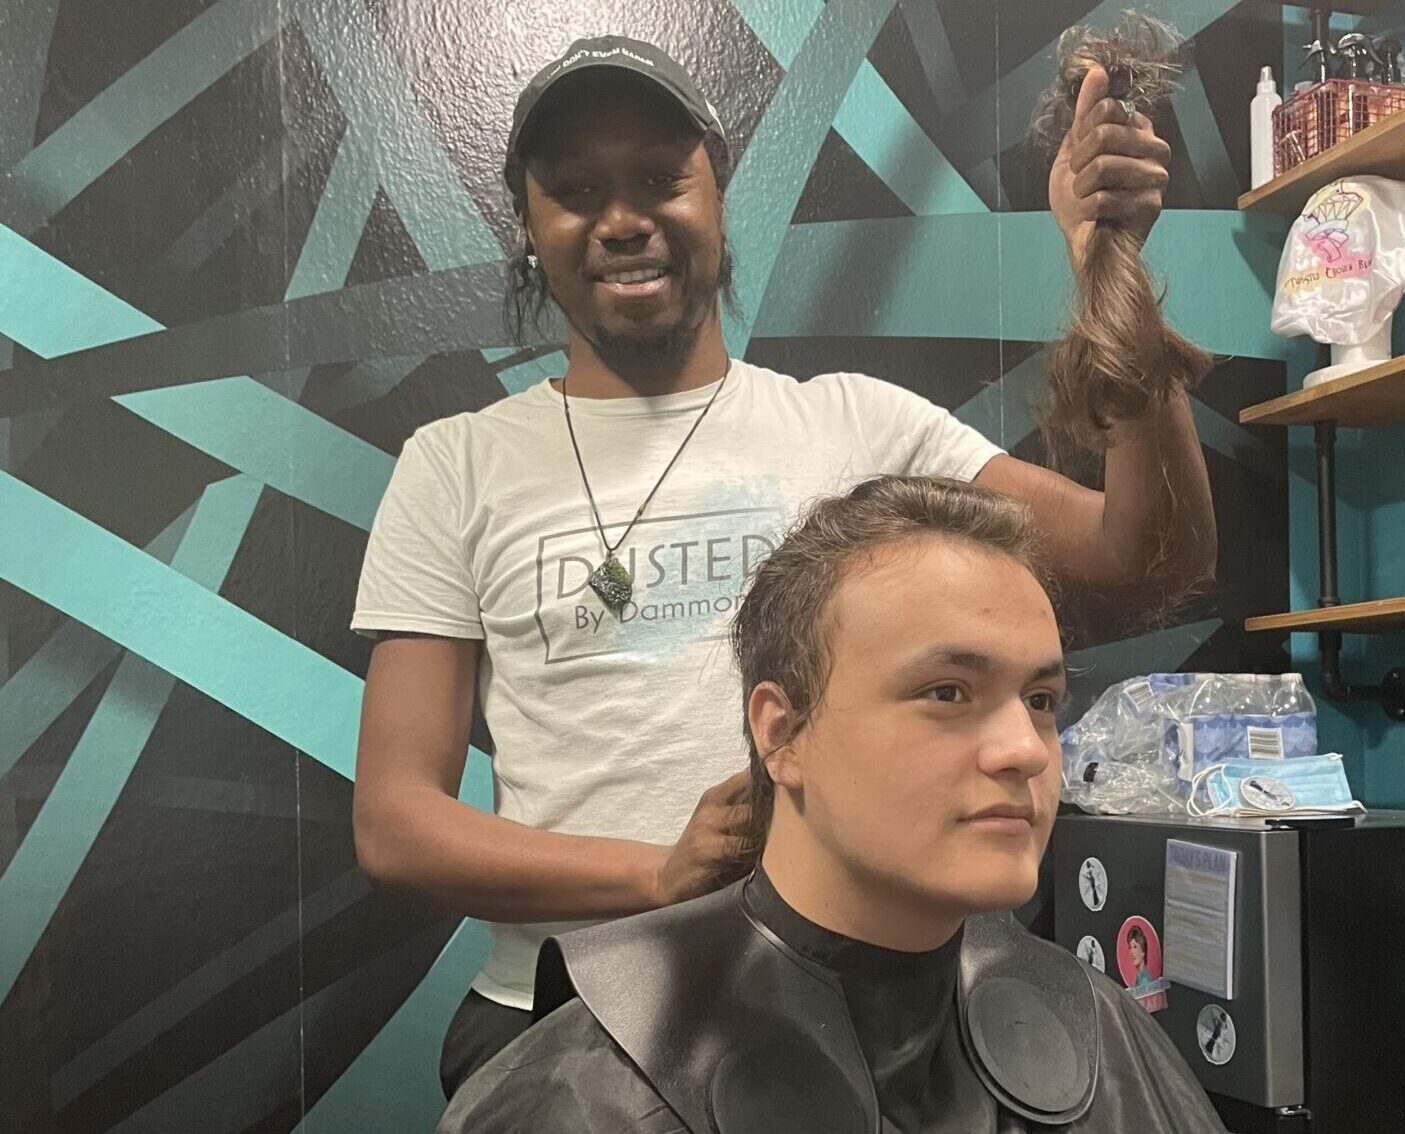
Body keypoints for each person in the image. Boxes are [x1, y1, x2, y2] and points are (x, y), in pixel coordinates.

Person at [350, 35, 1217, 1097]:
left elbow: (1145, 554)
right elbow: (397, 821)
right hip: (564, 1015)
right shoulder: (455, 466)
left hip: (859, 1013)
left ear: (718, 197)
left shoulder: (851, 423)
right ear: (529, 230)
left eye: (661, 179)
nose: (622, 219)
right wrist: (654, 875)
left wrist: (1108, 260)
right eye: (575, 192)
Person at [437, 476, 1229, 1133]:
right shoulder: (585, 1098)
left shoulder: (1104, 1035)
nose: (1025, 748)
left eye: (1042, 698)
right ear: (782, 734)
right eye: (947, 692)